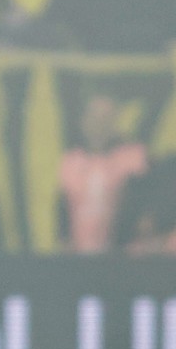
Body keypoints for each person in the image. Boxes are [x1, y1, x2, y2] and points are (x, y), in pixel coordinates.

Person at [57, 95, 148, 254]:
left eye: (107, 118)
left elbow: (141, 211)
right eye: (96, 118)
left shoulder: (133, 159)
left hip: (122, 258)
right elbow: (63, 210)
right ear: (83, 121)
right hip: (79, 257)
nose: (101, 125)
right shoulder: (71, 162)